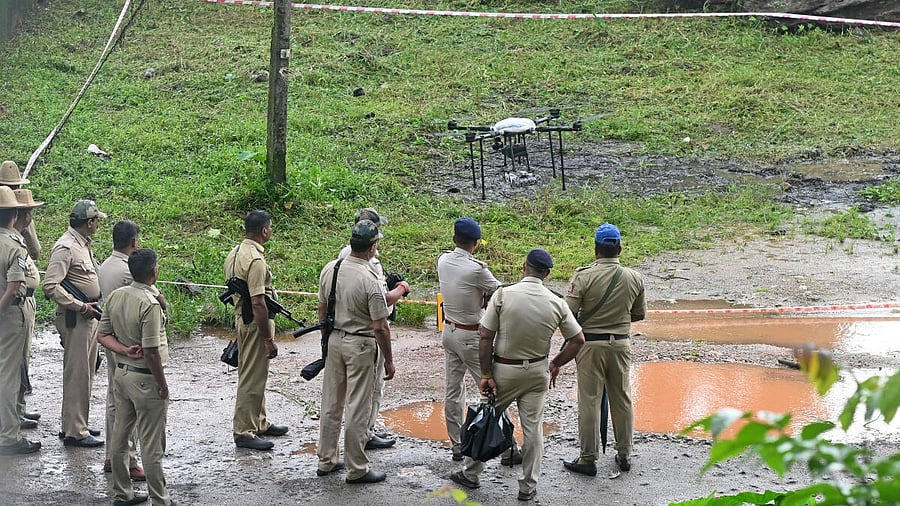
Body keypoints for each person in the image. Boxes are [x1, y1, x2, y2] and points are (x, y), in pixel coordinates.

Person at [450, 249, 585, 502]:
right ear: (546, 273)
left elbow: (486, 336)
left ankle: (471, 474)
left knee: (487, 419)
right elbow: (578, 339)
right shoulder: (556, 302)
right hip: (537, 371)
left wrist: (486, 374)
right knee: (533, 429)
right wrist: (556, 362)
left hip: (504, 370)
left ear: (524, 267)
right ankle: (527, 486)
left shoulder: (503, 295)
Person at [562, 223, 646, 476]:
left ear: (596, 249)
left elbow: (568, 315)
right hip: (621, 344)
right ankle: (624, 454)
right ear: (619, 248)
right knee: (622, 398)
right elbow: (638, 315)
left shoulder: (583, 276)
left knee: (589, 401)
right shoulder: (635, 277)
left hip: (589, 345)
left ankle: (588, 458)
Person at [316, 220, 395, 484]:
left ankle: (326, 460)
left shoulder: (331, 268)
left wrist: (326, 342)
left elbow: (322, 308)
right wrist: (389, 362)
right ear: (372, 247)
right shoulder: (369, 279)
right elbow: (380, 326)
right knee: (358, 406)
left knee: (331, 403)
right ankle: (357, 467)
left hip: (335, 340)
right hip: (361, 344)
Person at [97, 248, 173, 506]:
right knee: (151, 444)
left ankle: (122, 493)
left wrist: (123, 350)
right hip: (145, 379)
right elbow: (151, 352)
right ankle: (160, 499)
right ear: (154, 271)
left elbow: (103, 335)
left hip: (122, 374)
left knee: (120, 436)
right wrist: (162, 384)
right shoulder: (148, 305)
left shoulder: (116, 296)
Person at [337, 208, 409, 450]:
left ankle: (357, 434)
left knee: (350, 393)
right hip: (368, 333)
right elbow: (382, 301)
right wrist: (401, 289)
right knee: (371, 389)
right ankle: (365, 434)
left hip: (344, 328)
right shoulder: (371, 264)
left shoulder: (343, 256)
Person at [42, 199, 107, 447]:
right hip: (77, 317)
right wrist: (80, 305)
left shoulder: (82, 245)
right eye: (96, 220)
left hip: (88, 316)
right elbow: (50, 286)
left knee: (86, 373)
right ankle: (74, 431)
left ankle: (77, 423)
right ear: (89, 223)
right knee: (77, 374)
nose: (98, 224)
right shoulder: (66, 247)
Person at [436, 218, 502, 462]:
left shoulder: (442, 260)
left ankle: (457, 444)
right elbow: (499, 292)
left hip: (449, 331)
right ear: (475, 244)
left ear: (454, 240)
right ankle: (503, 447)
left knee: (453, 391)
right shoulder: (477, 269)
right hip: (471, 334)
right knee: (490, 388)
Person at [224, 210, 288, 451]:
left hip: (242, 318)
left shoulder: (236, 253)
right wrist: (267, 338)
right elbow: (259, 301)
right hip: (254, 322)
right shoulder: (256, 260)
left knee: (255, 374)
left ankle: (258, 422)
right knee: (251, 378)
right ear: (264, 231)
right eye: (270, 227)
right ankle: (244, 431)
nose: (271, 231)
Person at [0, 186, 41, 455]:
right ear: (14, 215)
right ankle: (8, 436)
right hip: (10, 314)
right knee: (9, 375)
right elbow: (15, 286)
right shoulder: (14, 246)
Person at [12, 190, 43, 432]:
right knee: (16, 364)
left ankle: (18, 410)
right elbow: (36, 251)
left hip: (24, 303)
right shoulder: (11, 241)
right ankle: (12, 416)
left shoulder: (16, 238)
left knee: (23, 361)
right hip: (15, 306)